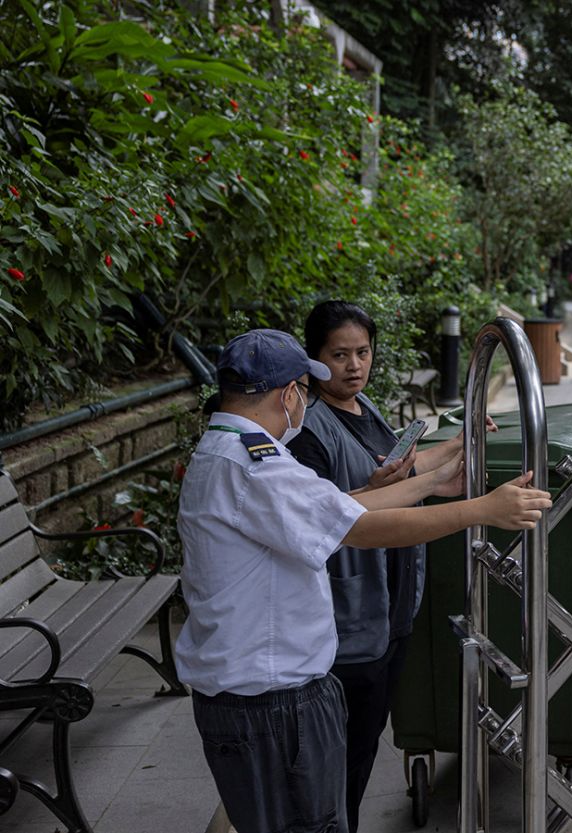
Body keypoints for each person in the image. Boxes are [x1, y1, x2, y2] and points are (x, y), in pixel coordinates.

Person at [175, 328, 550, 833]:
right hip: (272, 703)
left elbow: (337, 507)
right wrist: (482, 510)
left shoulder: (226, 451)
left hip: (251, 694)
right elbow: (362, 530)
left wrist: (433, 482)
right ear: (288, 395)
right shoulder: (256, 467)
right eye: (303, 390)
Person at [285, 301, 473, 831]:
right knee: (342, 754)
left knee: (365, 744)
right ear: (314, 359)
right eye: (339, 355)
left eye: (363, 353)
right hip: (347, 618)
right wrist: (383, 487)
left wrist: (457, 446)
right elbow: (323, 516)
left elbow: (398, 471)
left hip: (390, 608)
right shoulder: (309, 431)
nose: (354, 366)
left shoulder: (362, 406)